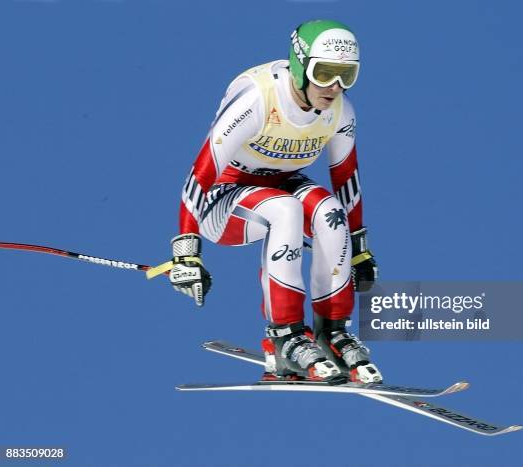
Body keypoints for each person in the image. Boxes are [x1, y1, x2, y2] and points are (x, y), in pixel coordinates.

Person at [161, 19, 381, 383]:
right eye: (324, 73)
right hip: (225, 199)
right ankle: (285, 337)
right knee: (286, 209)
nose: (334, 87)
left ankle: (332, 332)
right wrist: (187, 251)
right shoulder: (259, 100)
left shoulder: (341, 112)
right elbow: (200, 175)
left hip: (282, 183)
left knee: (329, 212)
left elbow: (346, 180)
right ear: (300, 65)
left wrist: (358, 249)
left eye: (347, 75)